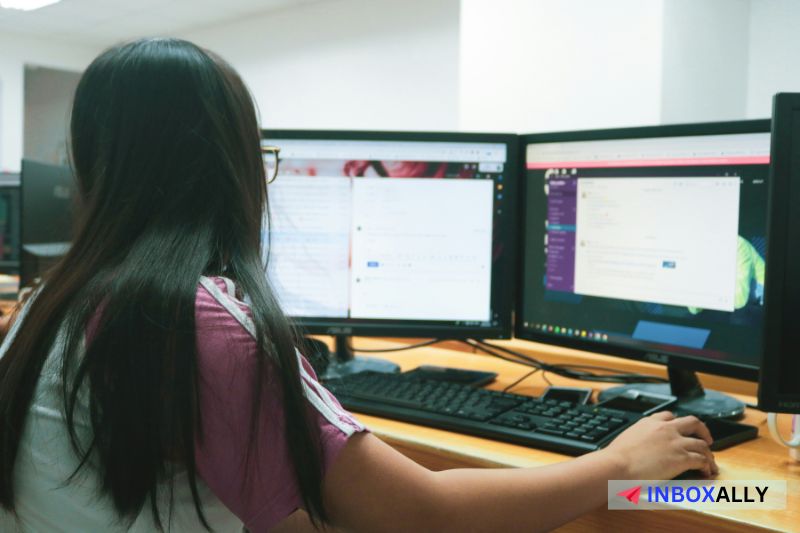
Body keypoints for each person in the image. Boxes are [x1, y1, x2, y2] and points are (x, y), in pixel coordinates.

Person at [0, 38, 717, 533]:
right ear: (232, 169)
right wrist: (618, 465)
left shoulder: (46, 308)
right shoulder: (196, 325)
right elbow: (426, 513)